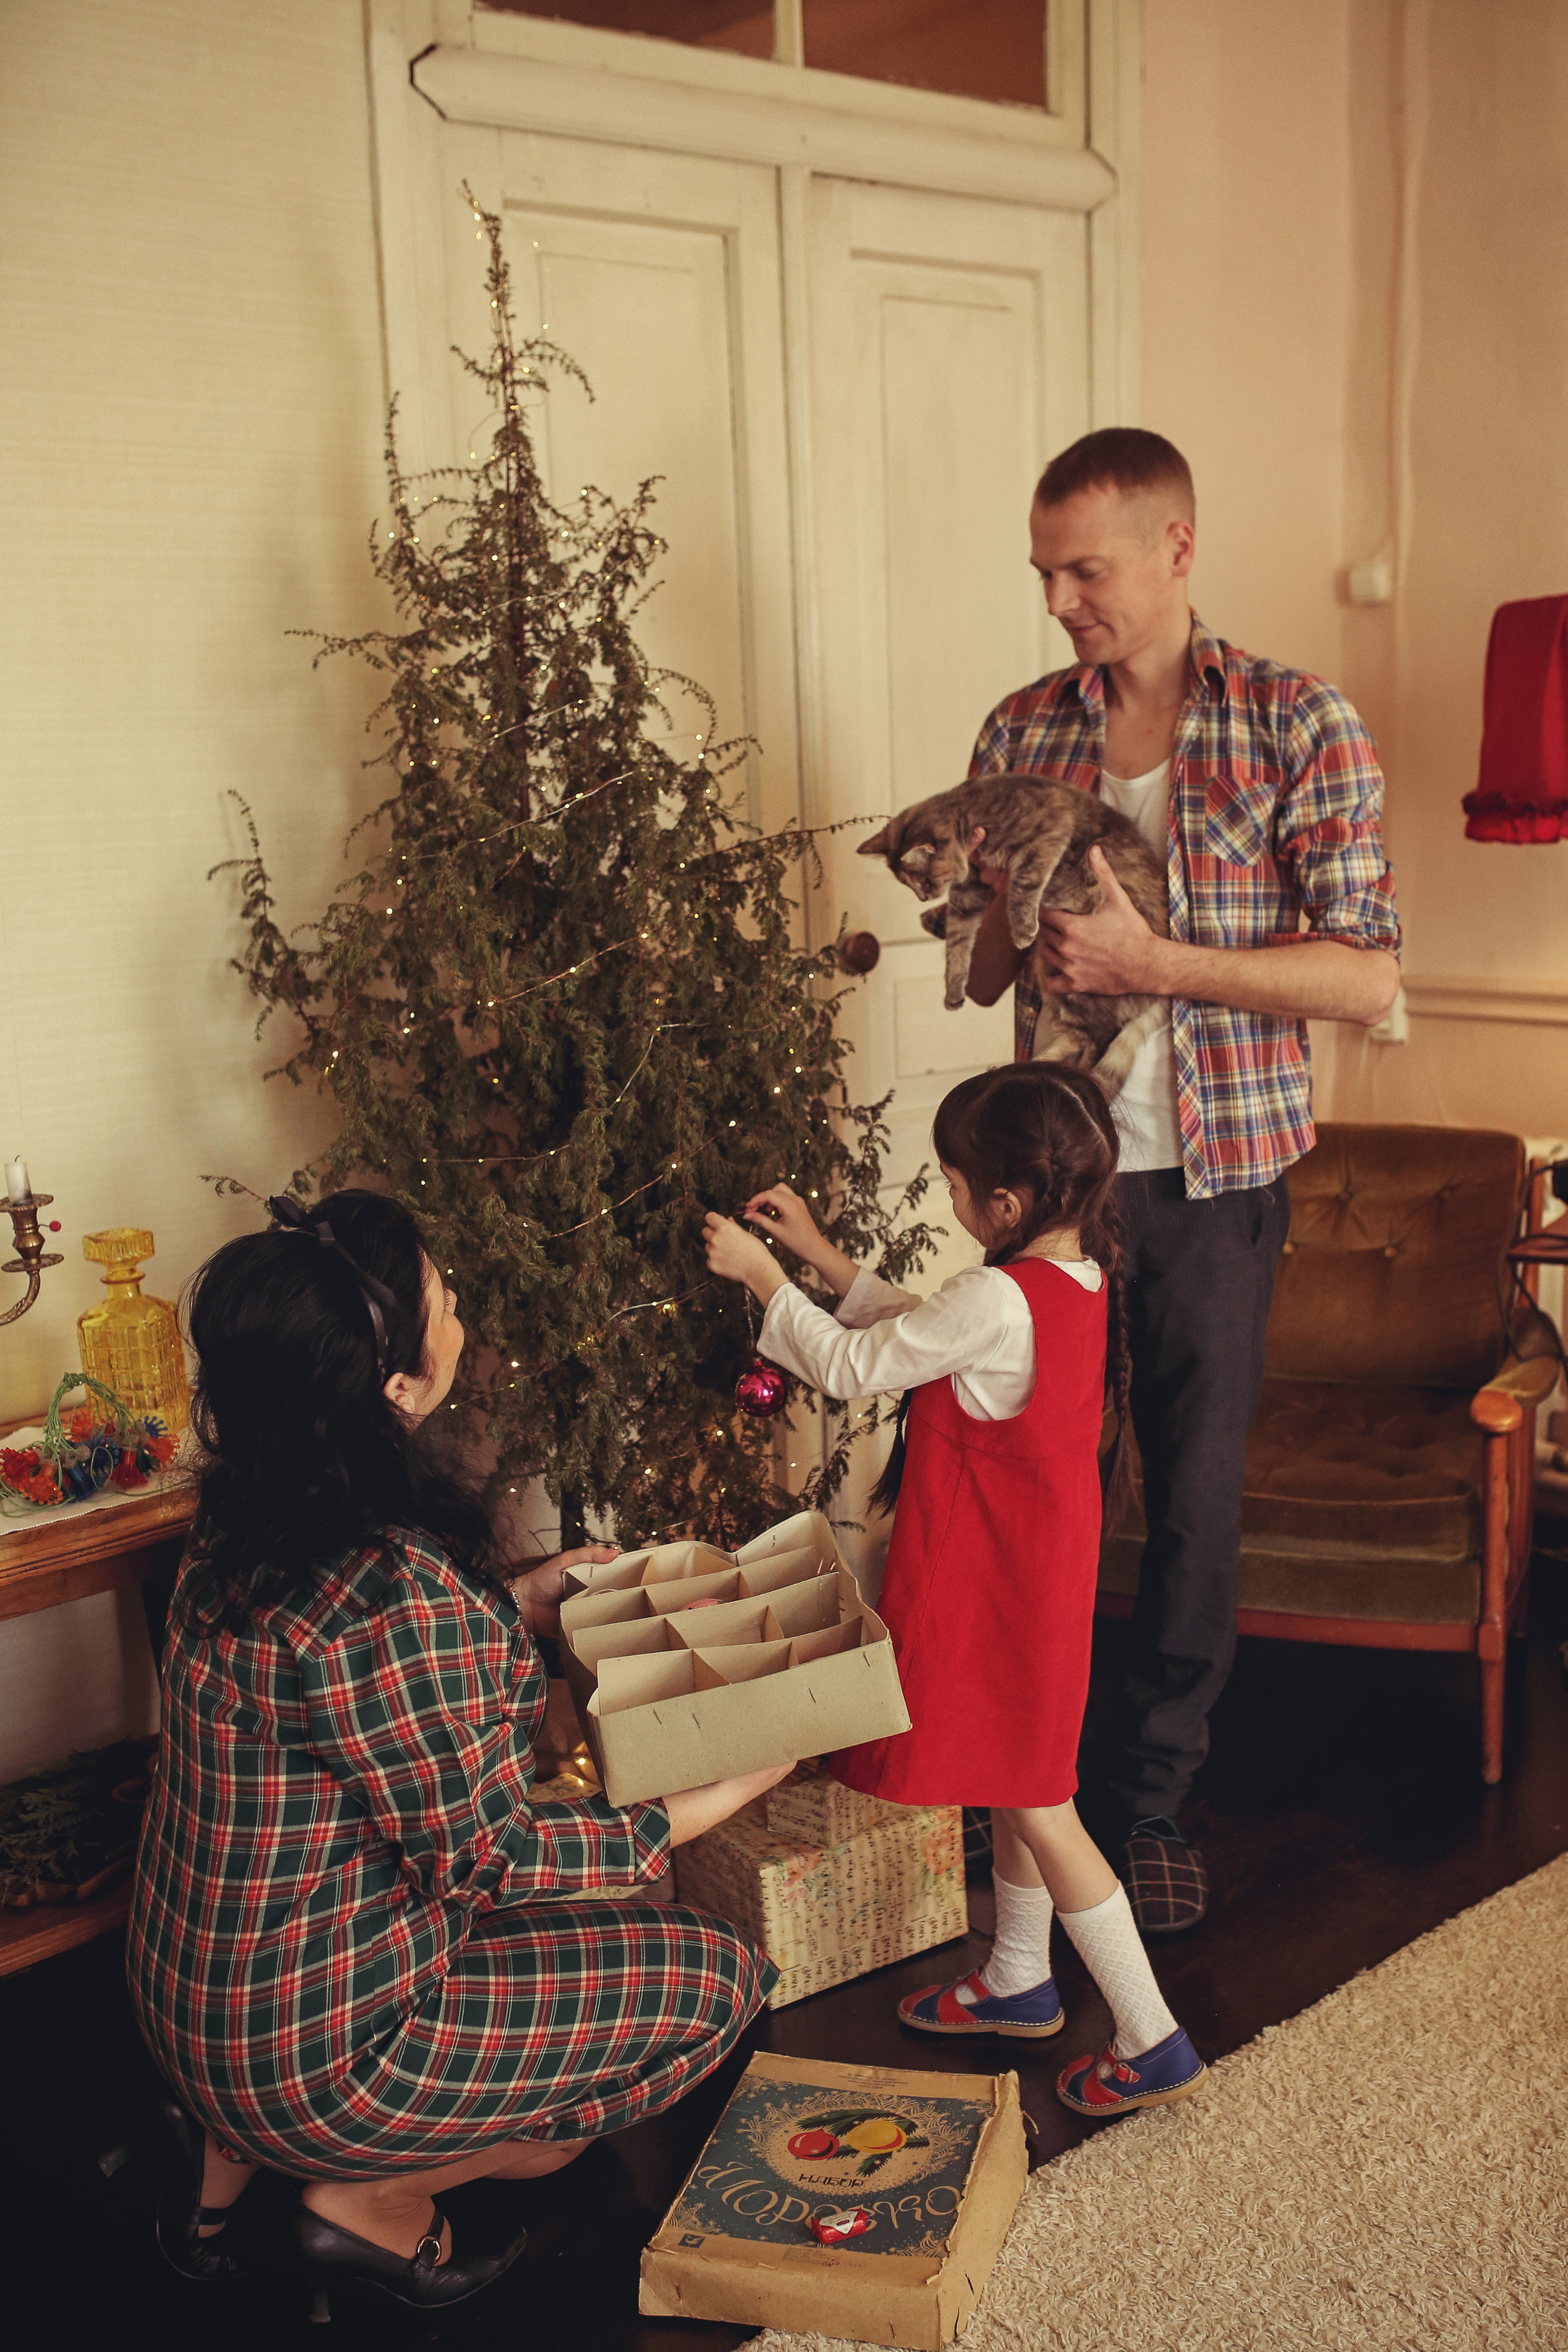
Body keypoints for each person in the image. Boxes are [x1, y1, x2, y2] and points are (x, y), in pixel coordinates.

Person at [127, 1189, 786, 2315]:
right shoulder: (391, 1590)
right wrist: (700, 1803)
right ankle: (364, 2198)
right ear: (394, 1386)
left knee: (550, 1942)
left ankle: (219, 2176)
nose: (459, 1308)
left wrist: (506, 1603)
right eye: (443, 1297)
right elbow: (484, 1860)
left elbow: (354, 1688)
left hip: (189, 1996)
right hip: (317, 2052)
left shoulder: (239, 1523)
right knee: (717, 1980)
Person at [962, 428, 1401, 1932]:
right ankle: (1032, 1791)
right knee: (1035, 1497)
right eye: (1043, 572)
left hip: (1216, 1181)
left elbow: (1362, 976)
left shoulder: (1297, 721)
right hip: (1047, 1197)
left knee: (1191, 1506)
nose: (1059, 599)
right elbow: (985, 959)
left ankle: (1149, 1799)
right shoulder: (1016, 729)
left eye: (1084, 568)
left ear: (1174, 549)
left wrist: (1155, 964)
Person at [702, 1063, 1204, 2121]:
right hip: (1034, 1581)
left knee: (1040, 1802)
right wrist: (817, 1254)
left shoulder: (999, 1296)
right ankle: (1019, 1980)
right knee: (1017, 1775)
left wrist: (760, 1277)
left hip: (995, 1585)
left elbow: (854, 1365)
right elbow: (926, 1337)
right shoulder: (1070, 1277)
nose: (954, 1201)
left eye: (957, 1185)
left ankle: (1151, 2035)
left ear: (1007, 1205)